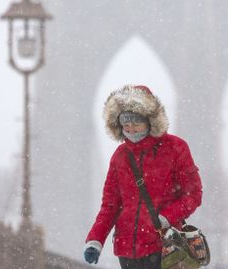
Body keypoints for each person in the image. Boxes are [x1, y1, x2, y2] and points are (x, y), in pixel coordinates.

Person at [84, 85, 203, 269]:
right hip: (127, 250)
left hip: (165, 246)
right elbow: (110, 206)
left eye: (136, 122)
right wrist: (95, 240)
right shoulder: (120, 156)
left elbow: (193, 195)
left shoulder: (175, 148)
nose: (130, 128)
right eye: (125, 122)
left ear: (150, 120)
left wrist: (166, 217)